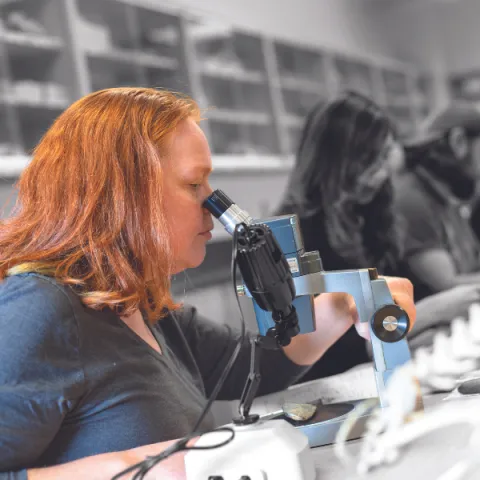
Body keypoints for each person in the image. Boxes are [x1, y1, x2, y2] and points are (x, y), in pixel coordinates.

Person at [0, 87, 416, 479]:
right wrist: (139, 466)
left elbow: (258, 367)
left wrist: (348, 301)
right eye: (193, 183)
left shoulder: (140, 305)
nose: (213, 206)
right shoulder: (39, 309)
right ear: (123, 195)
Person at [275, 91, 480, 380]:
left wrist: (416, 327)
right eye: (369, 161)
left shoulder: (370, 209)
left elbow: (400, 292)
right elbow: (313, 349)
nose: (381, 174)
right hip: (333, 386)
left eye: (385, 157)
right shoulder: (287, 236)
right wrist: (424, 316)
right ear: (333, 161)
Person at [398, 104, 480, 300]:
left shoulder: (444, 196)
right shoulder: (413, 200)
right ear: (458, 141)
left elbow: (471, 263)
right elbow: (449, 285)